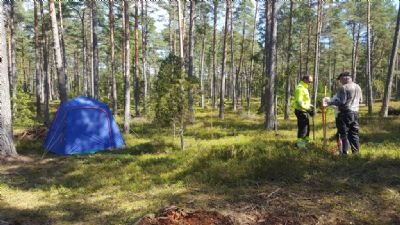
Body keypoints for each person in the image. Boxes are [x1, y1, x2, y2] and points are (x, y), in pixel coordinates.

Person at [327, 71, 362, 154]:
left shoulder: (344, 87)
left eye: (340, 79)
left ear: (345, 78)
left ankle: (344, 152)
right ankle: (356, 152)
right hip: (355, 113)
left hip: (345, 113)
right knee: (354, 134)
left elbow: (342, 102)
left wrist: (330, 103)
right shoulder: (358, 87)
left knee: (343, 134)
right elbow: (360, 101)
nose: (340, 81)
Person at [294, 75, 314, 148]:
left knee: (307, 128)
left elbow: (305, 101)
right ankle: (299, 145)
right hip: (301, 111)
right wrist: (308, 109)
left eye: (311, 82)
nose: (310, 83)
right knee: (303, 129)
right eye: (309, 81)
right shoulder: (300, 88)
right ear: (305, 80)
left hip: (304, 110)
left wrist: (311, 106)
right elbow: (299, 102)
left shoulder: (305, 88)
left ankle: (305, 143)